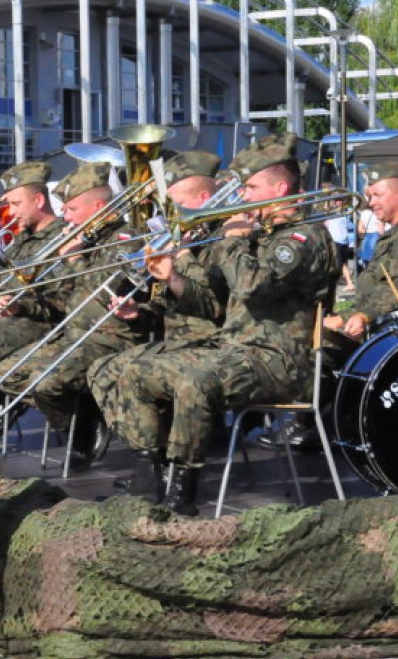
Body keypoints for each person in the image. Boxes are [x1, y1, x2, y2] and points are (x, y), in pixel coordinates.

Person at [87, 135, 336, 514]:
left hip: (280, 361)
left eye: (251, 187)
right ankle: (151, 479)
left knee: (195, 380)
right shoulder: (259, 235)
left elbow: (253, 288)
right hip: (236, 351)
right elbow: (213, 302)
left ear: (280, 188)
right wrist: (172, 277)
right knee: (132, 371)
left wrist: (233, 240)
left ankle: (181, 496)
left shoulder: (305, 237)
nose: (243, 197)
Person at [87, 150, 231, 498]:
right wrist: (140, 311)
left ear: (202, 200)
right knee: (102, 370)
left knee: (137, 372)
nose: (169, 214)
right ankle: (149, 464)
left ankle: (166, 475)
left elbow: (213, 305)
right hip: (178, 342)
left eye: (176, 204)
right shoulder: (189, 237)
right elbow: (170, 303)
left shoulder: (225, 240)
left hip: (212, 343)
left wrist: (180, 260)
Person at [0, 162, 152, 471]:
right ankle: (76, 418)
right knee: (6, 373)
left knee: (47, 383)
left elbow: (106, 295)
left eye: (71, 208)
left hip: (111, 337)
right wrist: (21, 306)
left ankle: (82, 429)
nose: (65, 216)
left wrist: (75, 259)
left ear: (98, 206)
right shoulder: (84, 240)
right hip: (72, 335)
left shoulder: (128, 239)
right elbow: (60, 303)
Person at [0, 160, 65, 455]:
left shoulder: (62, 238)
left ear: (39, 200)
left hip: (43, 322)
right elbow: (15, 283)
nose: (12, 210)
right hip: (17, 315)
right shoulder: (23, 238)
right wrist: (1, 296)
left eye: (17, 203)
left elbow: (54, 298)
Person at [324, 163, 398, 341]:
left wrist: (356, 317)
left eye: (377, 195)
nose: (371, 203)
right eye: (370, 196)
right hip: (379, 331)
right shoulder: (397, 232)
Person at [355, 202, 384, 272]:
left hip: (366, 238)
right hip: (375, 237)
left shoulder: (364, 213)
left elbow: (360, 229)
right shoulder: (377, 213)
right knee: (375, 263)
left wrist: (368, 230)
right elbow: (381, 231)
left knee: (366, 263)